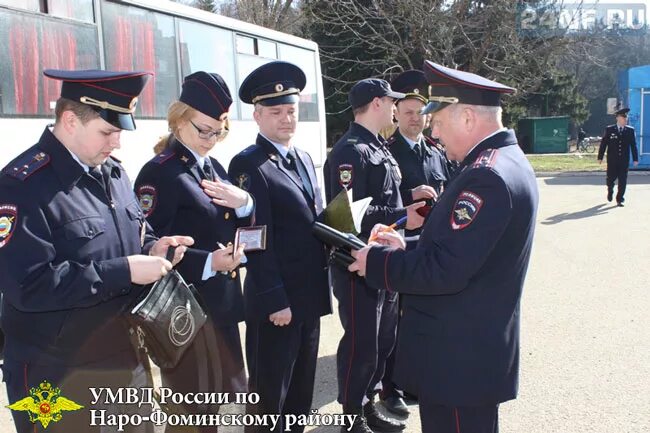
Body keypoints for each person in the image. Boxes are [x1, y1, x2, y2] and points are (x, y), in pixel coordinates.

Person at [348, 60, 539, 433]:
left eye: (438, 119)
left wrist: (377, 263)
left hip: (457, 358)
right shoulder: (502, 162)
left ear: (467, 117)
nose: (432, 128)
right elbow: (464, 247)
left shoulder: (484, 176)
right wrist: (406, 244)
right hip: (468, 351)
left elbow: (445, 269)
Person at [0, 69, 194, 433]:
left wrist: (154, 246)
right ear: (70, 121)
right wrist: (125, 270)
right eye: (107, 131)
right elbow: (28, 286)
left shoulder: (114, 174)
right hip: (56, 370)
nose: (116, 143)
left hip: (125, 358)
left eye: (119, 131)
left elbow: (135, 231)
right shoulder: (20, 187)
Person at [134, 71, 251, 430]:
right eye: (204, 130)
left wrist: (246, 204)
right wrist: (208, 262)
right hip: (184, 312)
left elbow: (232, 225)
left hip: (222, 309)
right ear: (179, 119)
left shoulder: (213, 168)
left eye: (220, 132)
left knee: (226, 404)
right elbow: (149, 244)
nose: (212, 140)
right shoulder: (160, 173)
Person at [228, 61, 331, 433]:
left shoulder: (302, 158)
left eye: (291, 110)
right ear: (256, 115)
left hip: (308, 296)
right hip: (278, 302)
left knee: (300, 393)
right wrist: (276, 300)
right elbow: (254, 238)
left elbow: (314, 219)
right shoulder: (248, 166)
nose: (286, 119)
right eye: (276, 112)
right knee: (270, 396)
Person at [324, 78, 425, 433]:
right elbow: (343, 214)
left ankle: (368, 403)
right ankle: (351, 415)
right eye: (393, 102)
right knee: (361, 343)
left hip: (384, 260)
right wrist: (400, 216)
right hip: (357, 263)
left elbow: (384, 197)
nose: (397, 109)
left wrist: (407, 203)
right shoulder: (349, 151)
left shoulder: (376, 146)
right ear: (378, 104)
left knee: (383, 339)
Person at [597, 107, 638, 206]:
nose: (625, 120)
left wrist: (635, 159)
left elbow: (633, 145)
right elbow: (604, 144)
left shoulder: (630, 130)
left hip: (624, 160)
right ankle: (610, 190)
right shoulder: (609, 129)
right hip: (612, 160)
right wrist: (600, 157)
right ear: (618, 118)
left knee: (623, 180)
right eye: (624, 118)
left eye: (626, 118)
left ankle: (620, 199)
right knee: (610, 179)